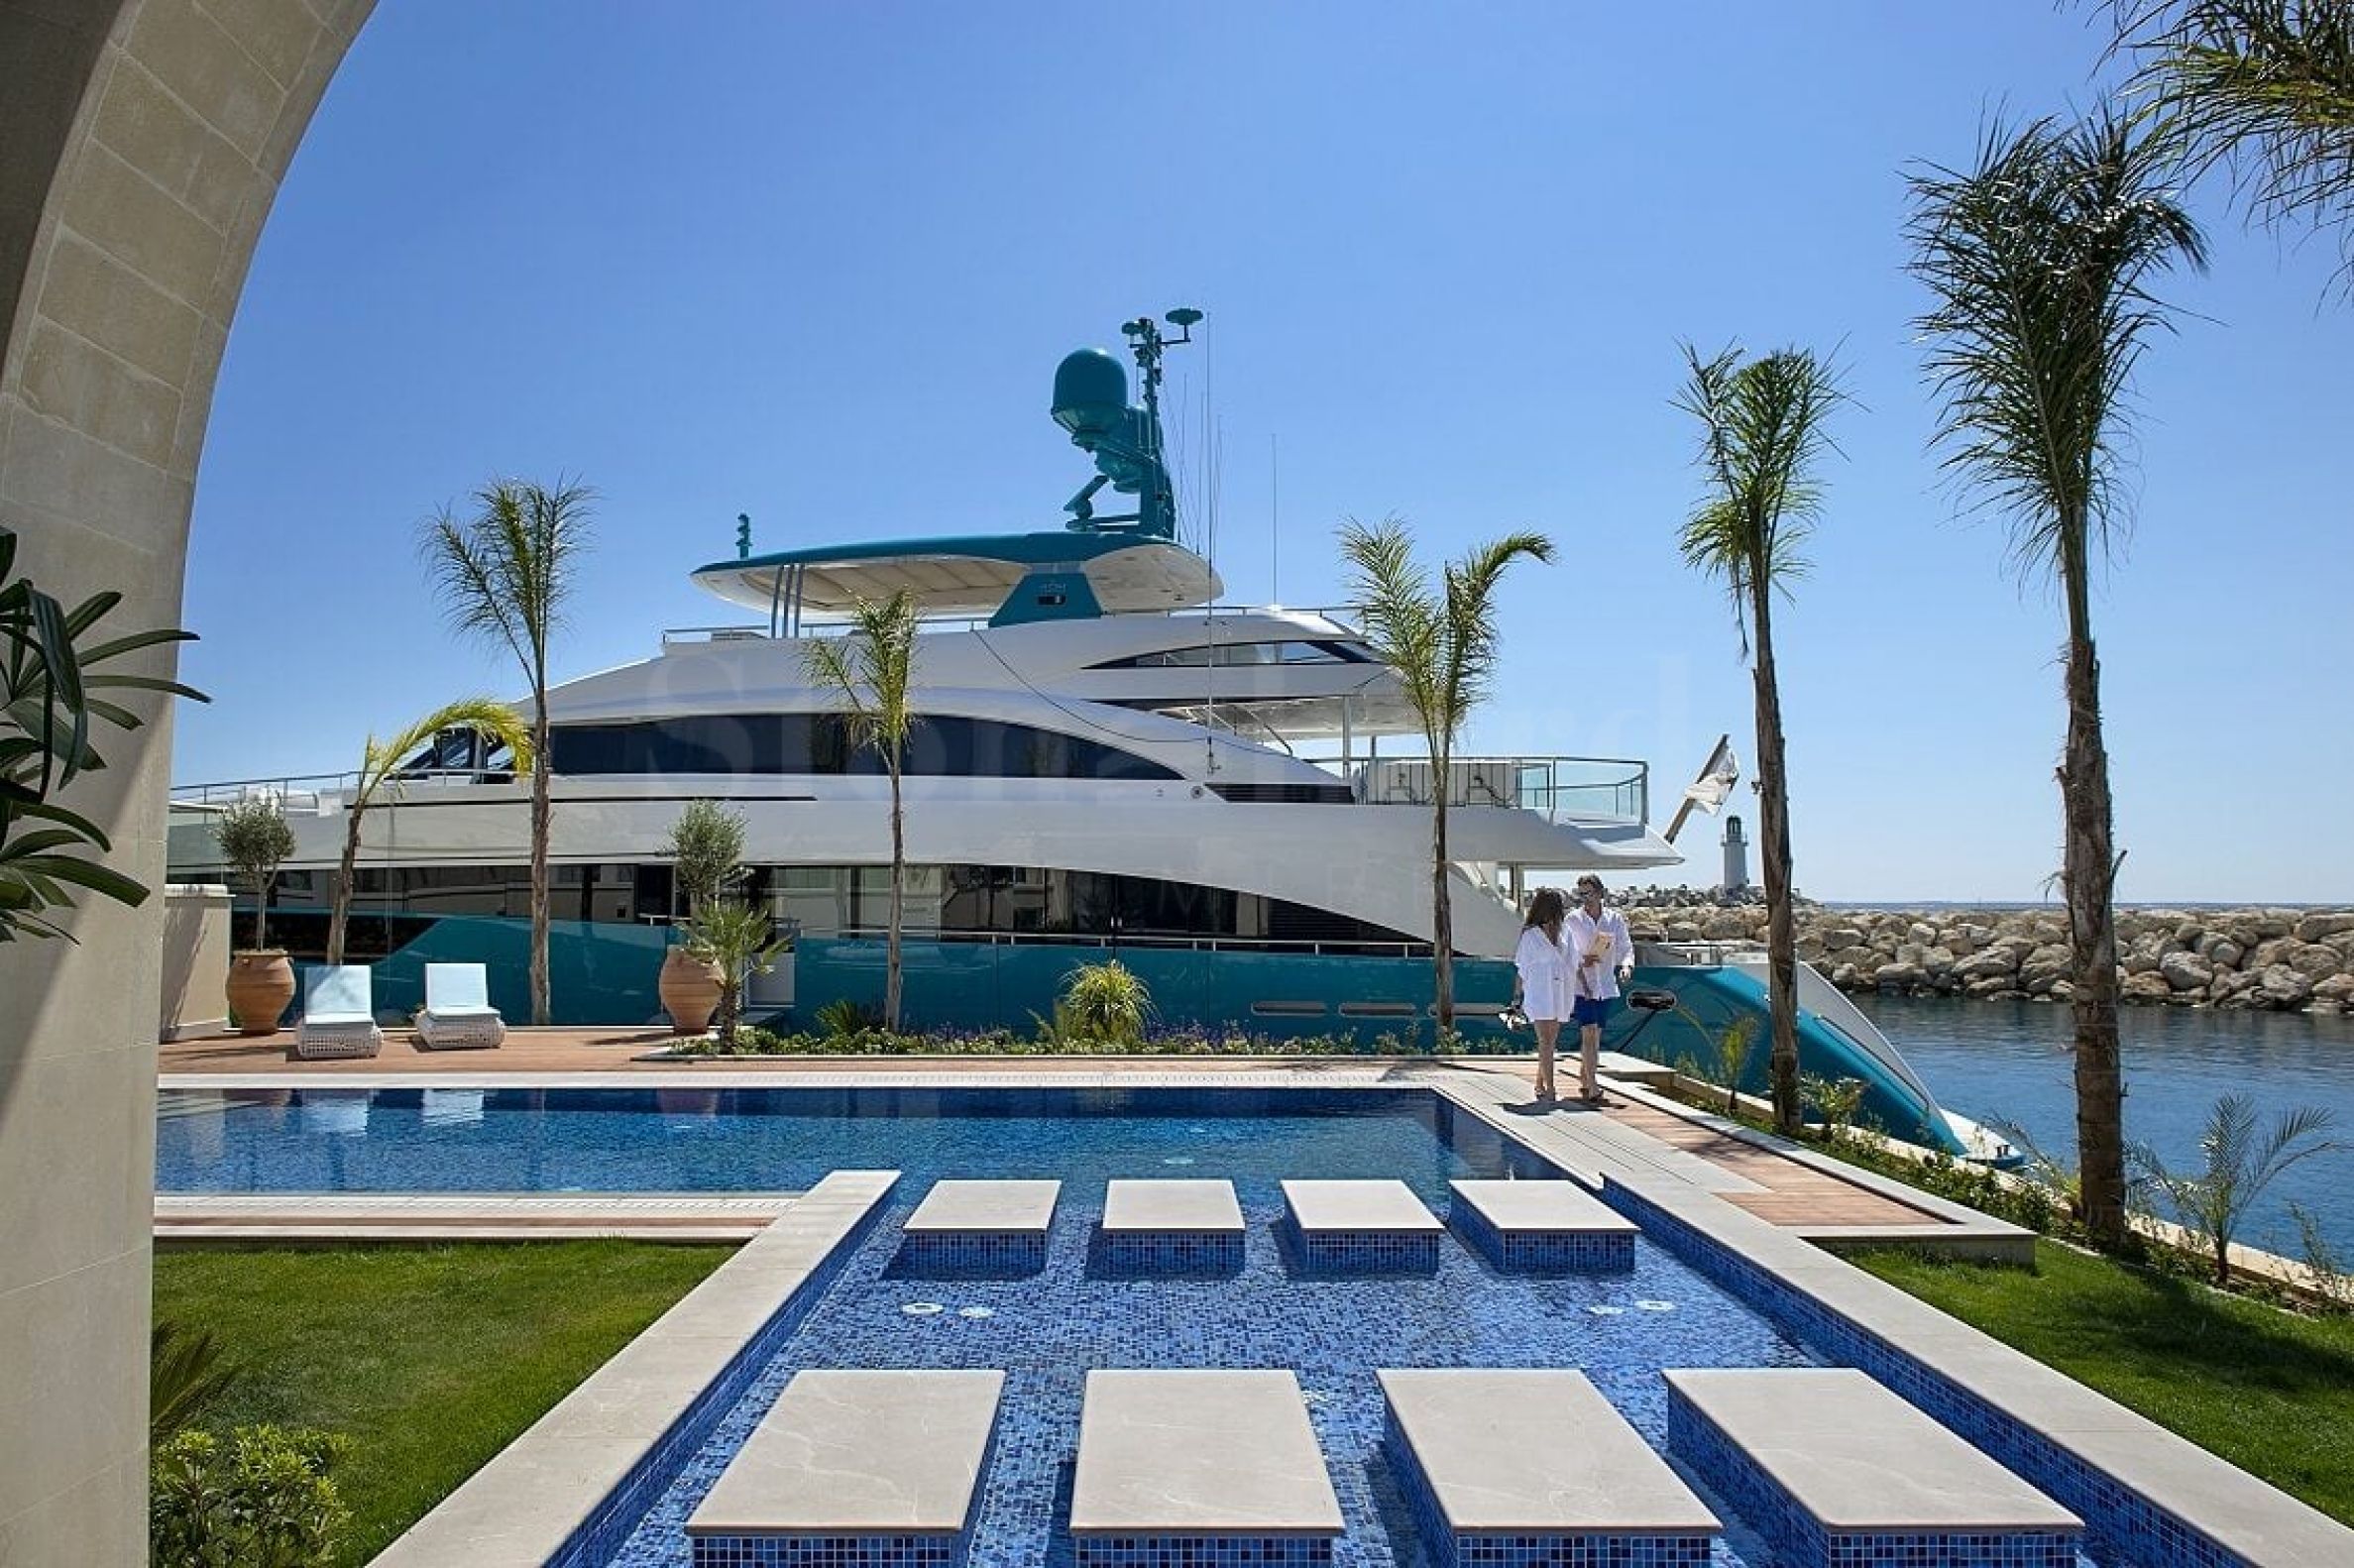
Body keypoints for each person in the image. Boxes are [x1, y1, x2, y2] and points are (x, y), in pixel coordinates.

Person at [1563, 874, 1633, 1104]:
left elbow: (1625, 947)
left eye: (1589, 893)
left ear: (1600, 893)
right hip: (1582, 985)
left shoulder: (1614, 919)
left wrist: (1626, 967)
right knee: (1589, 1031)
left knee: (1596, 1034)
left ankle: (1585, 1075)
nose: (1585, 898)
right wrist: (1583, 959)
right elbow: (1565, 952)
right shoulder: (1572, 919)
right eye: (1581, 894)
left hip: (1605, 984)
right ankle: (1593, 1085)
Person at [1511, 886, 1570, 1102]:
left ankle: (1539, 1082)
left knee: (1550, 1041)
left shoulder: (1564, 933)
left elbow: (1571, 961)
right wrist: (1517, 998)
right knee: (1545, 1040)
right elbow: (1521, 968)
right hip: (1539, 993)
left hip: (1559, 992)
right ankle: (1551, 1088)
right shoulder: (1531, 935)